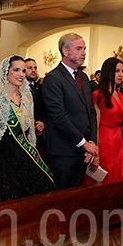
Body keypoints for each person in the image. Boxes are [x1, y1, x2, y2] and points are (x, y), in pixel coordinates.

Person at [0, 56, 54, 203]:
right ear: (6, 72)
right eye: (16, 70)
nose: (21, 74)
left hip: (25, 158)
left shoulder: (27, 97)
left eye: (23, 71)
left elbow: (30, 134)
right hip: (4, 161)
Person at [42, 34, 98, 188]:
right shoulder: (54, 78)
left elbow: (91, 112)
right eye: (79, 49)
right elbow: (59, 116)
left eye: (84, 49)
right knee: (61, 198)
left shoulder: (83, 77)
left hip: (83, 151)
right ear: (65, 51)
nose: (84, 53)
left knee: (76, 197)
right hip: (63, 151)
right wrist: (84, 143)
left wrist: (92, 142)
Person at [91, 56, 123, 181]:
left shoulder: (120, 95)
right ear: (108, 72)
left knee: (117, 176)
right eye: (117, 71)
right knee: (104, 176)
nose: (121, 74)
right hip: (105, 140)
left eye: (122, 71)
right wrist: (95, 154)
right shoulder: (98, 94)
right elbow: (95, 126)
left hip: (118, 139)